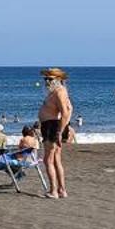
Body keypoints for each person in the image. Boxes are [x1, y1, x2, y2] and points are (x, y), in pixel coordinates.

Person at [38, 67, 73, 199]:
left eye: (50, 79)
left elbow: (66, 111)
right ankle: (61, 190)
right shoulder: (56, 92)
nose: (47, 81)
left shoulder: (59, 92)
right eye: (45, 78)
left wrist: (60, 131)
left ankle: (54, 191)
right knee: (56, 159)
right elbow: (69, 109)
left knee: (48, 160)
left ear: (58, 79)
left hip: (52, 126)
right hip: (51, 125)